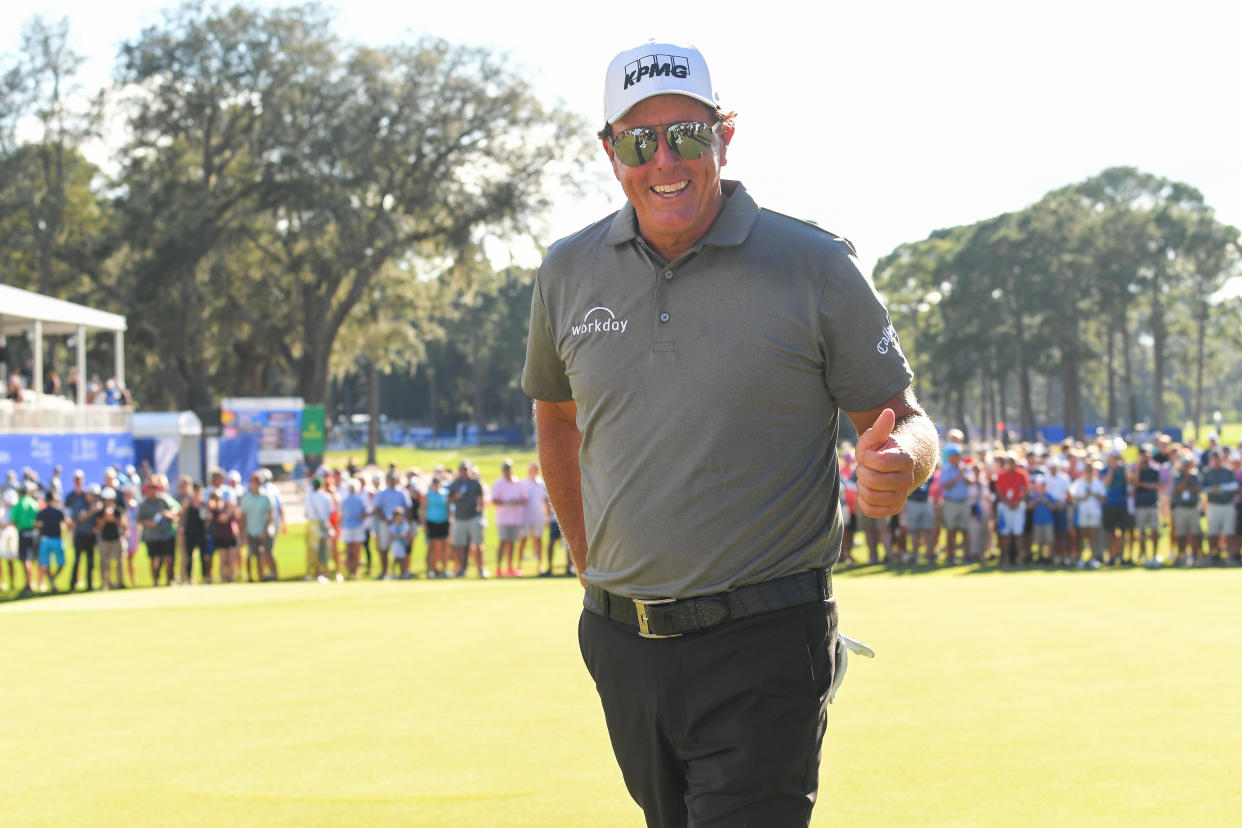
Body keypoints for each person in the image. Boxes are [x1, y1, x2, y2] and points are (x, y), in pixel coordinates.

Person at [521, 40, 937, 827]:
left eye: (687, 134)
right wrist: (588, 565)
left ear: (726, 136)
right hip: (621, 642)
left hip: (766, 640)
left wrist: (902, 460)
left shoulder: (814, 264)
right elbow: (559, 416)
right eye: (640, 142)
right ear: (611, 154)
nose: (665, 160)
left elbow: (907, 419)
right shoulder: (568, 270)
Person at [138, 475, 181, 587]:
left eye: (154, 487)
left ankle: (170, 579)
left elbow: (177, 509)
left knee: (168, 558)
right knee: (154, 560)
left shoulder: (164, 500)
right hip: (151, 535)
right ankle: (156, 581)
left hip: (165, 534)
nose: (152, 490)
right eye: (150, 487)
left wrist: (169, 514)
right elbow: (139, 519)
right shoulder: (144, 503)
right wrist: (149, 523)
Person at [447, 461, 486, 578]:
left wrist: (482, 514)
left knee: (478, 544)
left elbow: (480, 499)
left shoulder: (475, 483)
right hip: (460, 517)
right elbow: (449, 500)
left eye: (466, 469)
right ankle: (461, 569)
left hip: (474, 516)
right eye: (462, 470)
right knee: (459, 545)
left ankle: (480, 569)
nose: (464, 472)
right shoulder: (455, 484)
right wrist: (456, 497)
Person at [239, 472, 278, 582]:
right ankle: (252, 578)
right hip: (251, 531)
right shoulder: (246, 498)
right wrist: (244, 532)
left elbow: (270, 516)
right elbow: (243, 517)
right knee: (252, 554)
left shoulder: (266, 497)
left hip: (264, 531)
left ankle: (274, 576)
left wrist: (264, 530)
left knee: (268, 553)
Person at [491, 459, 527, 576]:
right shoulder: (498, 484)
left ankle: (509, 568)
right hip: (503, 519)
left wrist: (516, 501)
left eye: (509, 469)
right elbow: (495, 500)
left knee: (512, 543)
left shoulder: (518, 483)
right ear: (503, 470)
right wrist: (508, 502)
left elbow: (524, 499)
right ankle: (498, 569)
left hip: (515, 518)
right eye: (505, 469)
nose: (507, 471)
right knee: (503, 542)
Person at [518, 463, 550, 576]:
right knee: (523, 540)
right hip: (526, 517)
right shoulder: (523, 483)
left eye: (536, 470)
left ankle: (539, 566)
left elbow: (545, 502)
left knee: (538, 540)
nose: (535, 472)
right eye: (533, 470)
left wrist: (547, 517)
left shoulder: (541, 484)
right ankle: (519, 566)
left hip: (538, 517)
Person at [34, 489, 68, 592]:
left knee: (45, 563)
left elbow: (37, 525)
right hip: (56, 539)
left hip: (46, 540)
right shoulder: (58, 511)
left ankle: (51, 579)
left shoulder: (43, 512)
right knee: (59, 563)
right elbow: (65, 524)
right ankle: (52, 579)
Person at [422, 469, 451, 578]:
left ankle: (444, 569)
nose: (436, 485)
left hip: (443, 522)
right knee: (432, 547)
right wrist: (424, 524)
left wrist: (450, 521)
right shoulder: (428, 495)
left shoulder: (445, 494)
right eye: (434, 482)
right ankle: (431, 570)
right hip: (431, 523)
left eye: (437, 482)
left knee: (445, 547)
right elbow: (423, 510)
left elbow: (448, 508)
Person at [96, 488, 127, 589]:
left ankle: (120, 583)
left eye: (109, 499)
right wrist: (105, 518)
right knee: (104, 562)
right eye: (105, 499)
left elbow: (123, 524)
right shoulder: (101, 511)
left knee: (119, 562)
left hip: (116, 538)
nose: (107, 501)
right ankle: (105, 584)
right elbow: (99, 526)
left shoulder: (118, 510)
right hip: (104, 539)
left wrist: (113, 519)